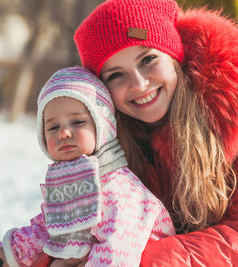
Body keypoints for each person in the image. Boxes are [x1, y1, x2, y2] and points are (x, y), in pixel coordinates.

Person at [73, 0, 238, 265]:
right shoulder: (107, 145)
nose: (139, 84)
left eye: (148, 59)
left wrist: (140, 258)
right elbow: (80, 229)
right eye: (116, 75)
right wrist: (30, 253)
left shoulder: (229, 115)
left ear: (174, 56)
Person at [0, 66, 175, 266]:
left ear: (103, 126)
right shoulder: (70, 179)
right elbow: (49, 226)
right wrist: (13, 250)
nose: (63, 133)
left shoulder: (120, 189)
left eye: (77, 122)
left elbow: (117, 251)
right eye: (53, 127)